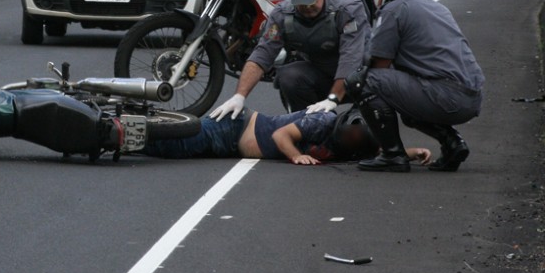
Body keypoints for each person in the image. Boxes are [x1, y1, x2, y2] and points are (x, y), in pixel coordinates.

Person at [353, 0, 484, 173]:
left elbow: (378, 67)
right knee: (404, 93)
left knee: (366, 81)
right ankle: (453, 143)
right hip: (471, 97)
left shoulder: (393, 9)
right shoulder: (432, 5)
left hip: (445, 95)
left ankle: (392, 154)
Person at [209, 0, 371, 118]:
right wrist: (239, 96)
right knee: (289, 76)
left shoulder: (347, 8)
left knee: (360, 128)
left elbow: (350, 59)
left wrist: (333, 98)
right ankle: (312, 131)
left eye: (310, 1)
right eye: (301, 3)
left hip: (363, 77)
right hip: (324, 73)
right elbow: (262, 55)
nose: (307, 8)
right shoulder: (282, 14)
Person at [144, 107, 430, 166]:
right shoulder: (324, 121)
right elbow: (282, 135)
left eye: (356, 140)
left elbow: (385, 152)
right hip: (234, 129)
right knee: (174, 146)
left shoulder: (362, 145)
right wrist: (296, 155)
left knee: (175, 148)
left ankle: (121, 136)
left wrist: (413, 151)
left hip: (230, 146)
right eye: (351, 135)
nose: (352, 140)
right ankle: (113, 133)